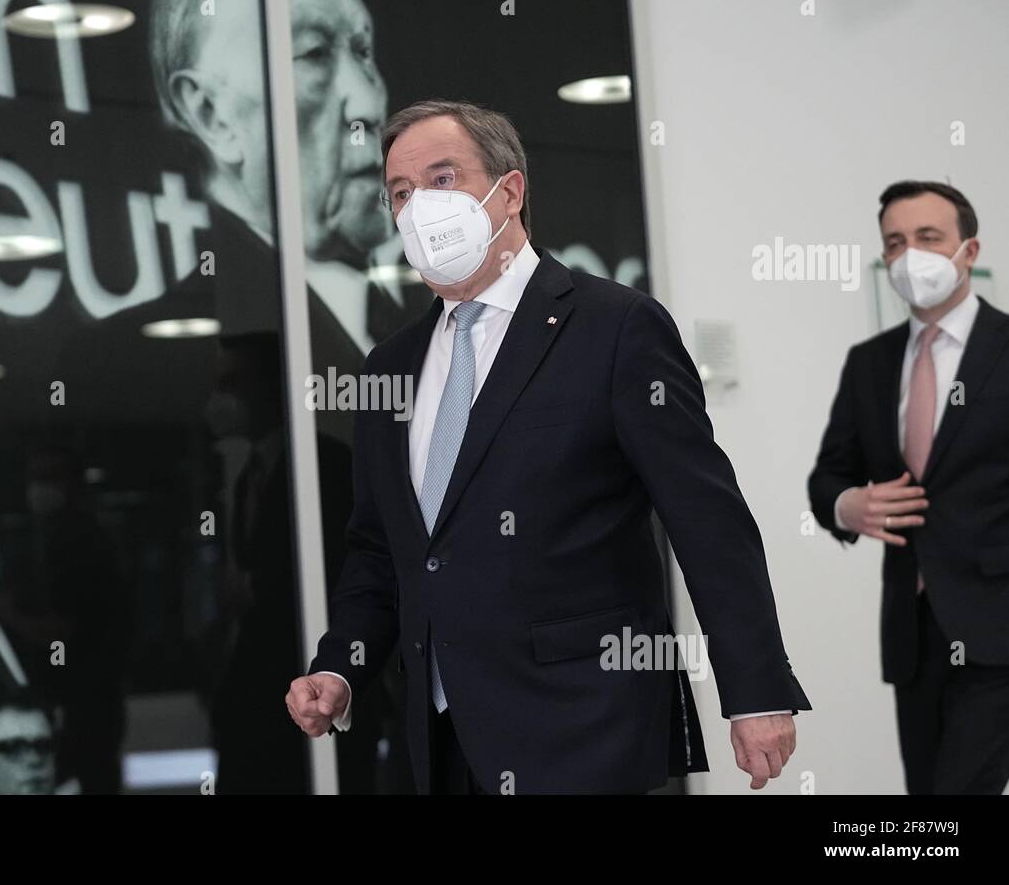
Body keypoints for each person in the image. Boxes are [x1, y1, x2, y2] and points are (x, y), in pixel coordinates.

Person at [286, 100, 809, 794]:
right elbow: (382, 549)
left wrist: (755, 689)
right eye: (401, 194)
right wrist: (340, 668)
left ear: (510, 191)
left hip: (584, 730)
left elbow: (706, 519)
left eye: (442, 180)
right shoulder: (390, 365)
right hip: (442, 741)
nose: (418, 209)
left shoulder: (616, 328)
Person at [808, 181, 1009, 794]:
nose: (908, 255)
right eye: (894, 242)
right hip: (912, 631)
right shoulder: (869, 361)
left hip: (998, 623)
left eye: (927, 238)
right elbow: (828, 477)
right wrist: (850, 504)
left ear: (968, 250)